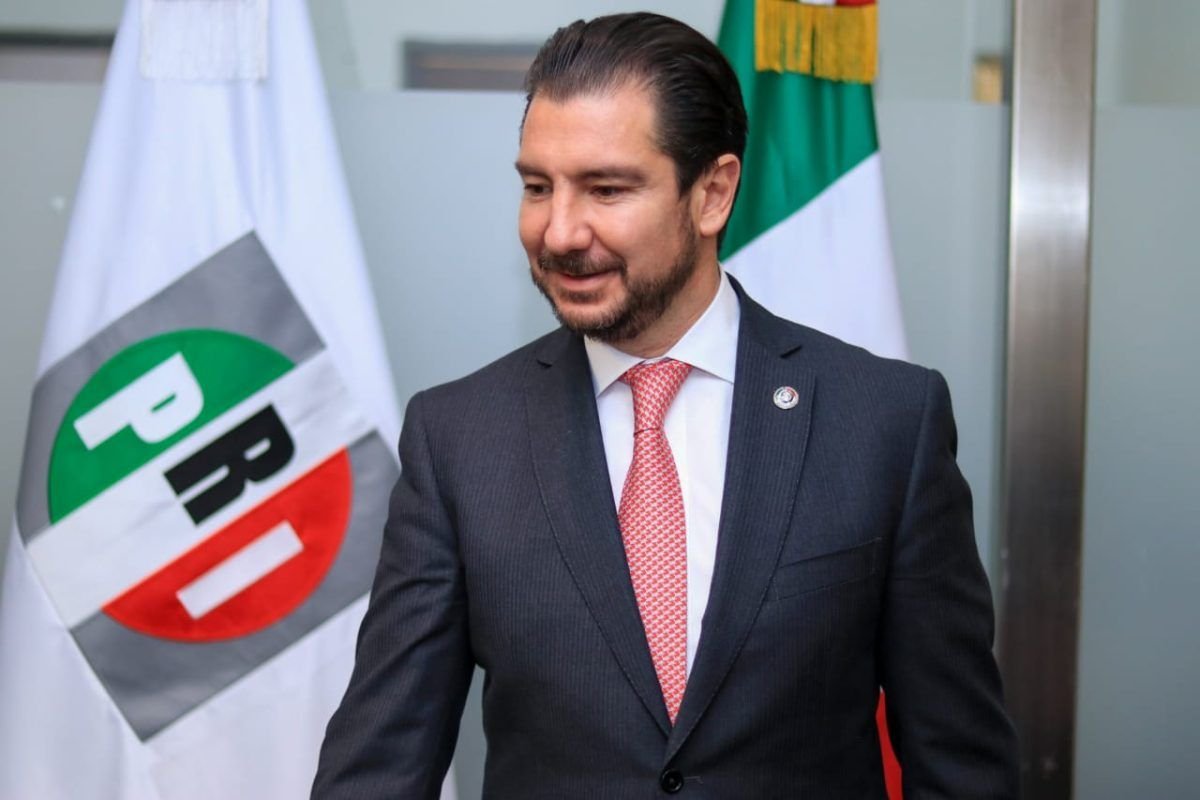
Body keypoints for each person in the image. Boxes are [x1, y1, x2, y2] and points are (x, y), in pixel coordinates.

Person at [312, 12, 1017, 799]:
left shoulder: (884, 423)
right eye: (538, 187)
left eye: (606, 189)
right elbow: (380, 765)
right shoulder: (459, 440)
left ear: (712, 193)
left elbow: (961, 766)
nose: (559, 231)